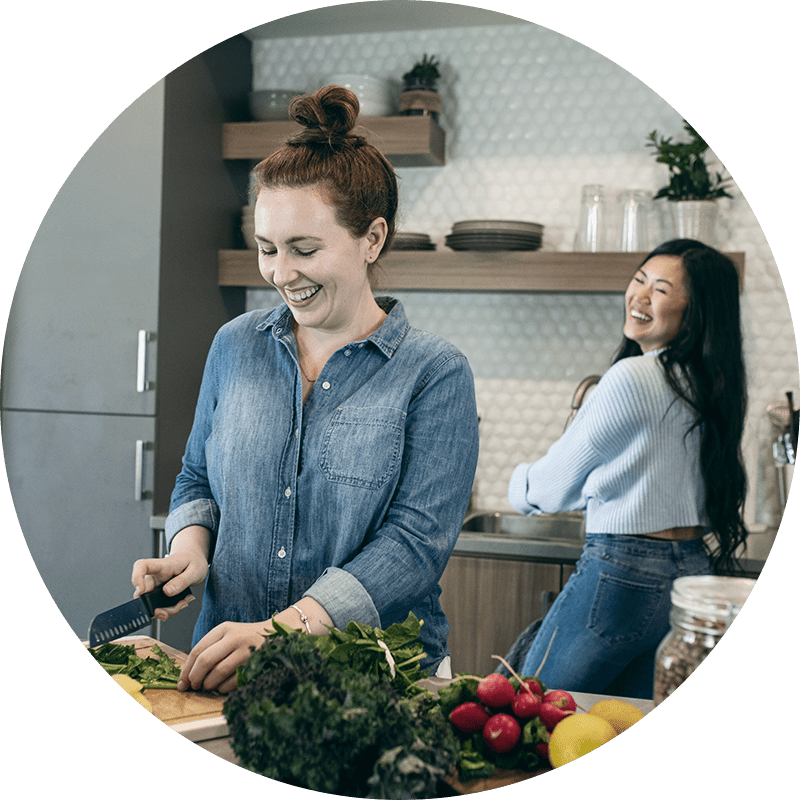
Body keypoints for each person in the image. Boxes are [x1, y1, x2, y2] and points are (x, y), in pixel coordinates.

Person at [130, 85, 480, 693]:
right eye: (267, 249)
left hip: (372, 681)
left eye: (305, 249)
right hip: (229, 672)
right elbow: (197, 479)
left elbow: (414, 545)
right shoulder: (235, 345)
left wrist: (282, 629)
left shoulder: (435, 373)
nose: (281, 273)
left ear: (372, 238)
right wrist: (189, 549)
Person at [506, 239, 748, 699]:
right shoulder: (712, 386)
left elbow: (552, 488)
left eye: (659, 290)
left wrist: (517, 484)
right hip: (688, 575)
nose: (639, 297)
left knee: (531, 711)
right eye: (638, 281)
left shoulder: (630, 378)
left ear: (693, 313)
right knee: (626, 725)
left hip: (621, 575)